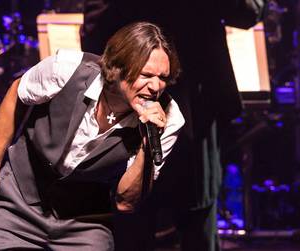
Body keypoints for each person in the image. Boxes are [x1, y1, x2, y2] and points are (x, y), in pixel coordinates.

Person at [0, 21, 184, 250]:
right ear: (119, 67)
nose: (155, 87)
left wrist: (147, 146)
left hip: (84, 222)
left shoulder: (169, 119)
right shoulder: (67, 68)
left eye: (163, 78)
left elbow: (126, 203)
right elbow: (16, 94)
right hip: (19, 202)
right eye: (146, 74)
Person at [81, 1, 266, 250]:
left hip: (191, 106)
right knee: (138, 218)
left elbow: (249, 12)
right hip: (140, 107)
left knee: (188, 221)